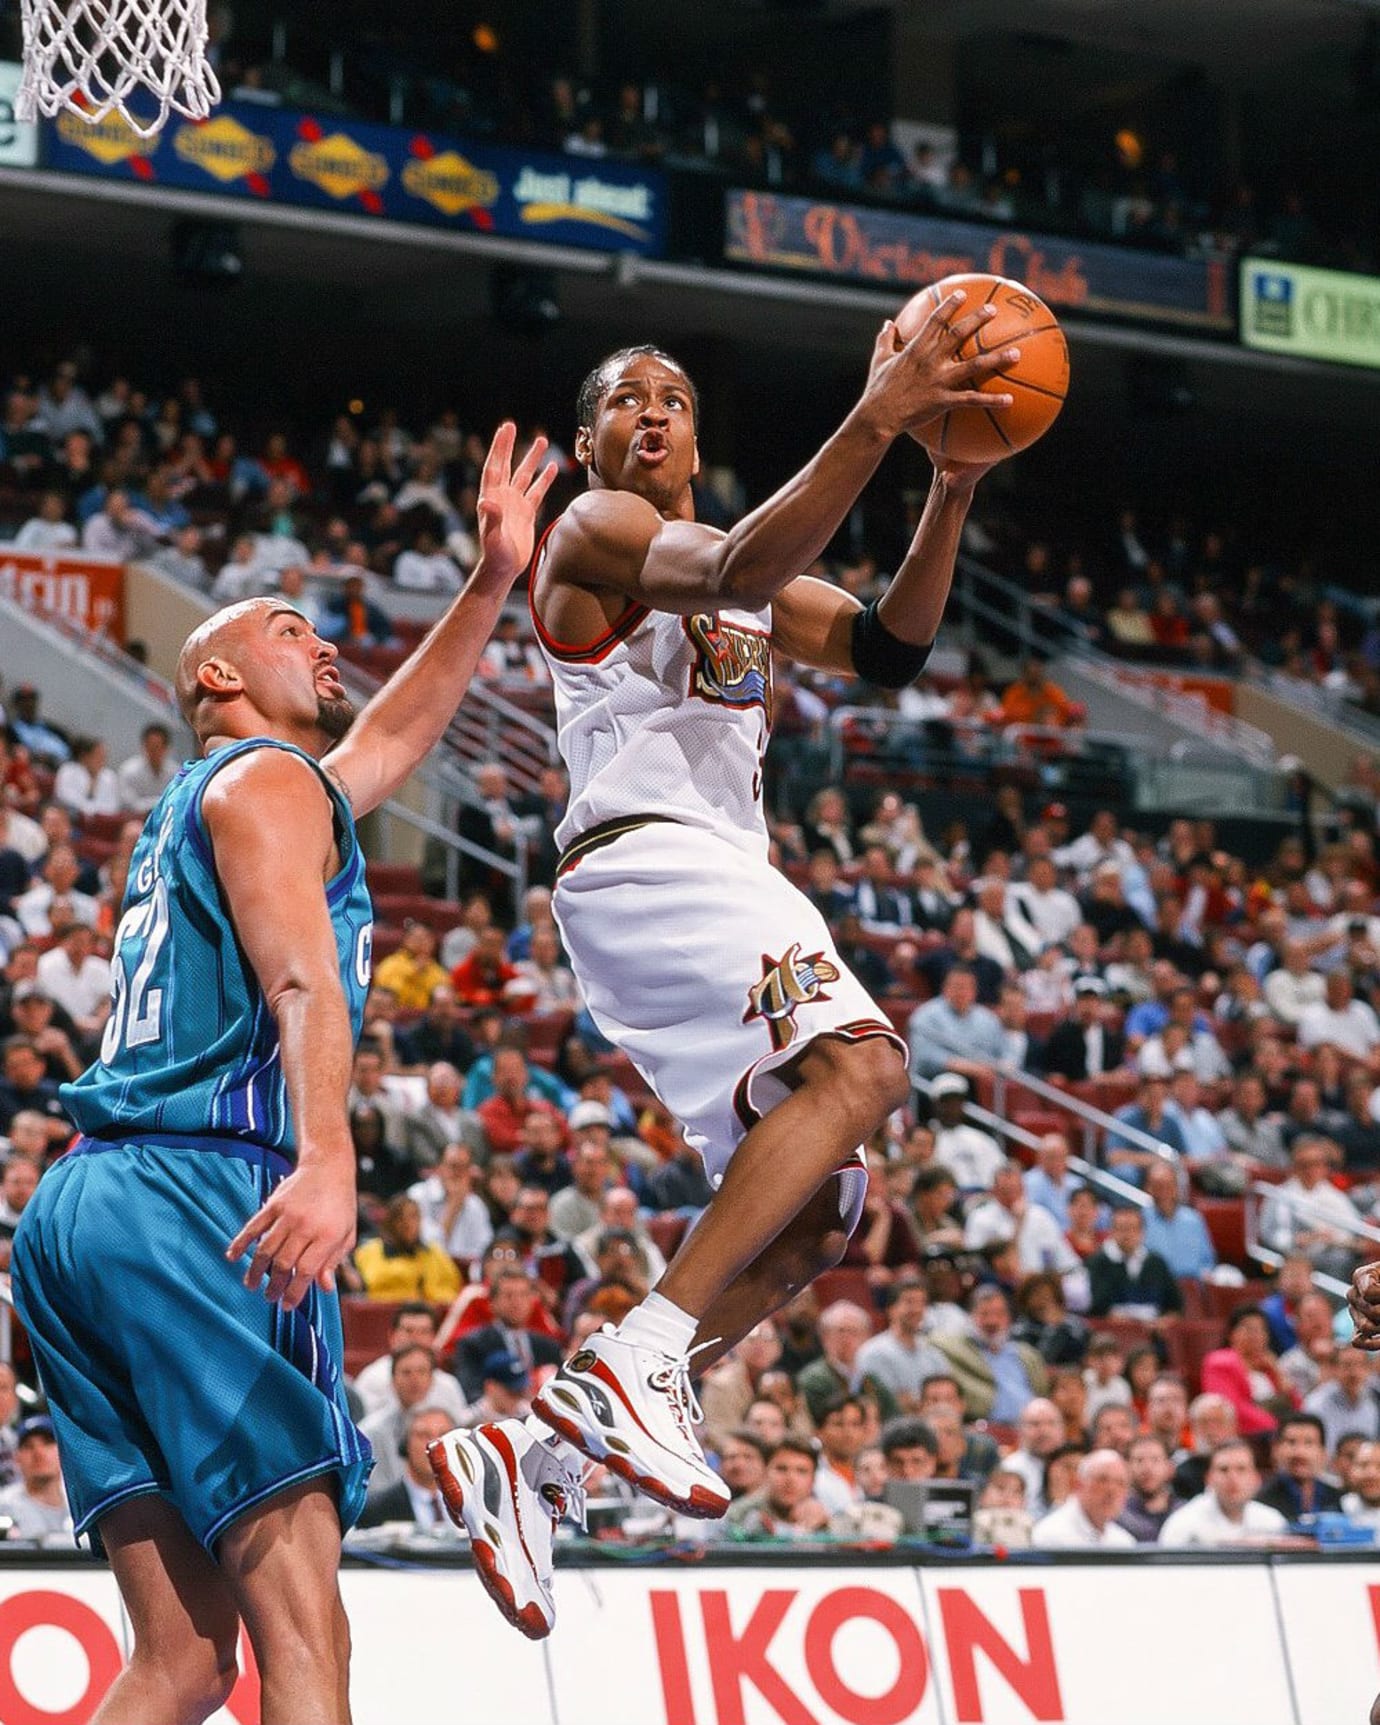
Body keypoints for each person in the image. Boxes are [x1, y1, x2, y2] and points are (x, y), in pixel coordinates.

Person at [430, 322, 1018, 1630]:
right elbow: (747, 556)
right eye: (626, 399)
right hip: (649, 862)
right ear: (588, 446)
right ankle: (639, 1358)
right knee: (863, 1064)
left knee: (818, 1217)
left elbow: (890, 647)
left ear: (698, 439)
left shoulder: (749, 583)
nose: (654, 411)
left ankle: (534, 1471)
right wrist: (874, 415)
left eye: (676, 398)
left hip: (705, 890)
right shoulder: (594, 532)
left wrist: (953, 482)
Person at [9, 423, 555, 1725]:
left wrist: (489, 583)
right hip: (203, 1193)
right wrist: (329, 1156)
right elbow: (304, 983)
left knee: (186, 1656)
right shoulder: (265, 783)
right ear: (215, 667)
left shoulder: (231, 794)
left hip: (80, 1214)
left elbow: (388, 745)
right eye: (289, 629)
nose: (324, 645)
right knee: (303, 1621)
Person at [1158, 1440, 1288, 1546]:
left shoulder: (1272, 1521)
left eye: (1241, 1469)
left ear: (1256, 1478)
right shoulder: (1184, 1524)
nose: (1233, 1478)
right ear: (1209, 1479)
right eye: (1223, 1470)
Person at [1030, 1449, 1135, 1549]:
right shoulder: (1050, 1536)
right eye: (1102, 1480)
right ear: (1079, 1485)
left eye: (1121, 1483)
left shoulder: (1124, 1542)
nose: (1112, 1491)